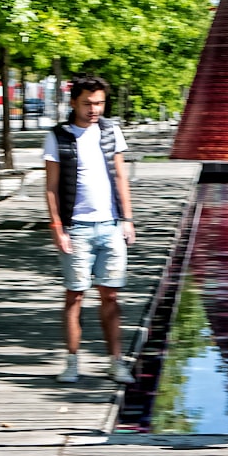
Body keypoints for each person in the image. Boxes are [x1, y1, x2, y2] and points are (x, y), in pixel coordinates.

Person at [44, 76, 137, 384]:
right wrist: (57, 227)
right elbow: (51, 187)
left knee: (110, 296)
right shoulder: (58, 137)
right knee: (75, 296)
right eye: (87, 103)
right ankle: (72, 363)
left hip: (111, 226)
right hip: (77, 229)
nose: (94, 109)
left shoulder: (111, 132)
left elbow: (121, 177)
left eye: (99, 103)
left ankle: (116, 362)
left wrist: (128, 219)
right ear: (73, 102)